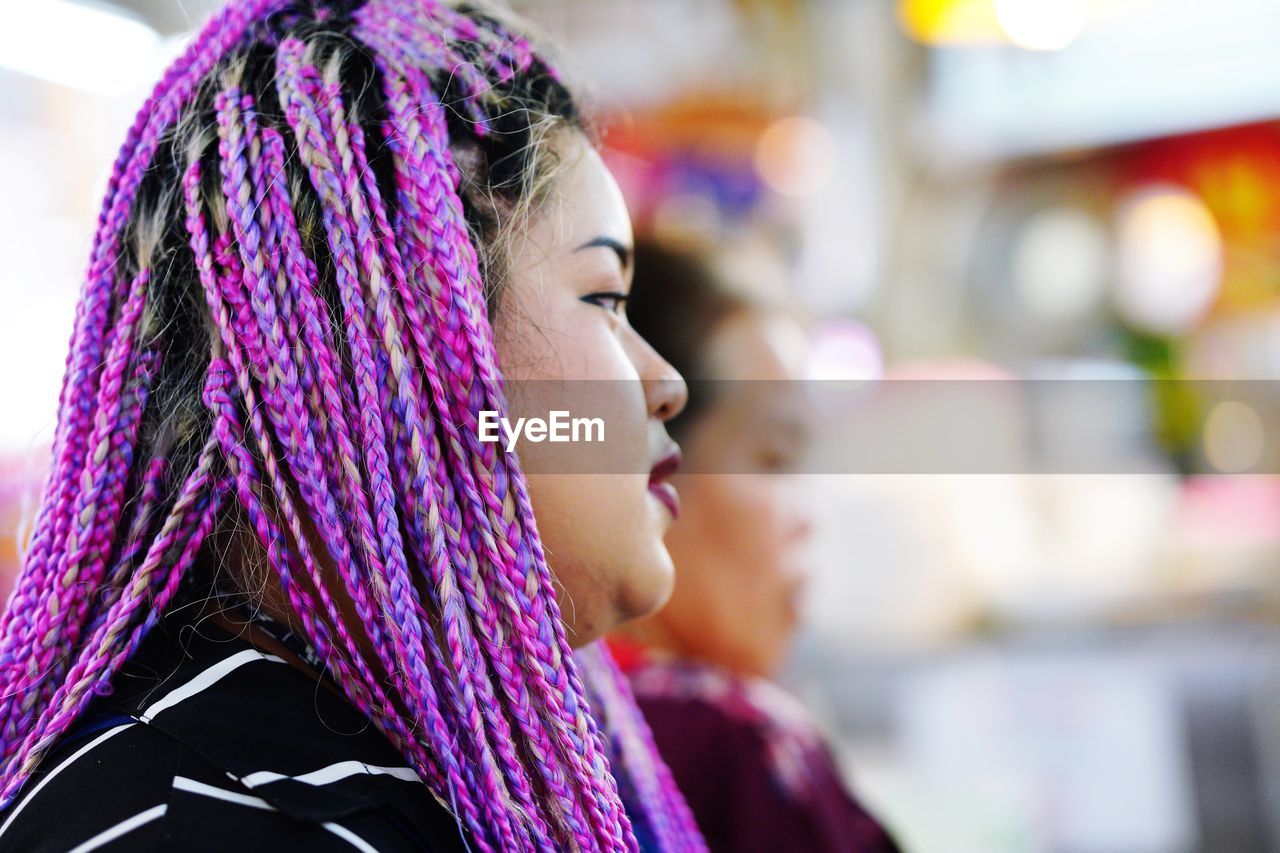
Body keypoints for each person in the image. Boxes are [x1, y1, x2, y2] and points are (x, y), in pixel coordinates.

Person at [0, 1, 705, 850]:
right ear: (404, 352)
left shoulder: (431, 765)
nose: (666, 382)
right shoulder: (190, 826)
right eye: (605, 297)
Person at [610, 238, 900, 852]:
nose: (807, 518)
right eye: (774, 459)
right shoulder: (739, 741)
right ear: (650, 466)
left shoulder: (511, 721)